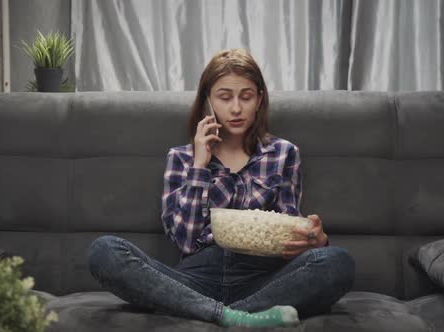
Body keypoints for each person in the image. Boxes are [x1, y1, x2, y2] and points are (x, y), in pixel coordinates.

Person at [89, 48, 355, 328]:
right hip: (194, 279)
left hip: (263, 280)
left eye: (246, 96)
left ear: (260, 99)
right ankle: (233, 317)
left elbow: (285, 237)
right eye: (224, 97)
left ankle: (215, 313)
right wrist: (200, 165)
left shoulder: (283, 154)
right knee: (104, 251)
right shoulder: (181, 158)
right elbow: (186, 241)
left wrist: (316, 240)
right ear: (207, 102)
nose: (236, 108)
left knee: (338, 261)